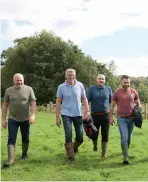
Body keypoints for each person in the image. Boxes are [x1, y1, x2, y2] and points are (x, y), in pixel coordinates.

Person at [2, 73, 36, 168]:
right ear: (14, 81)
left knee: (26, 137)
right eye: (17, 80)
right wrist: (3, 119)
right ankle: (10, 160)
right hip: (12, 118)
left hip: (25, 119)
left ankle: (24, 155)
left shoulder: (29, 89)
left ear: (23, 80)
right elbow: (4, 105)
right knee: (11, 138)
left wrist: (33, 114)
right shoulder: (8, 91)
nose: (19, 82)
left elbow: (33, 102)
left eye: (21, 80)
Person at [56, 68, 90, 163]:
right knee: (68, 134)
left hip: (78, 114)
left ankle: (73, 148)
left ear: (75, 76)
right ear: (65, 76)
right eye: (69, 75)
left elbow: (84, 98)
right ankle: (71, 157)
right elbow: (58, 101)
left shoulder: (80, 85)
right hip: (66, 114)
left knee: (80, 137)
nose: (71, 77)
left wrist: (87, 111)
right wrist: (57, 117)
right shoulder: (61, 87)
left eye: (73, 75)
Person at [109, 75, 141, 164]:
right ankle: (125, 157)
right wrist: (111, 117)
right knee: (124, 137)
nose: (127, 84)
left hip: (131, 118)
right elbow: (111, 106)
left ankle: (125, 150)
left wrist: (138, 111)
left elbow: (138, 103)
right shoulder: (117, 92)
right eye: (125, 82)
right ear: (121, 82)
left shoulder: (133, 91)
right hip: (121, 118)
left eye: (128, 82)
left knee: (128, 138)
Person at [87, 74, 112, 158]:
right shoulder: (91, 89)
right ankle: (95, 145)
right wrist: (86, 112)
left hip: (106, 115)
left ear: (104, 80)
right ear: (96, 80)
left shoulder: (108, 88)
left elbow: (111, 102)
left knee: (105, 134)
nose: (101, 80)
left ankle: (104, 153)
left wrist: (111, 114)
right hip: (94, 116)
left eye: (102, 79)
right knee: (94, 133)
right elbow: (87, 101)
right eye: (99, 79)